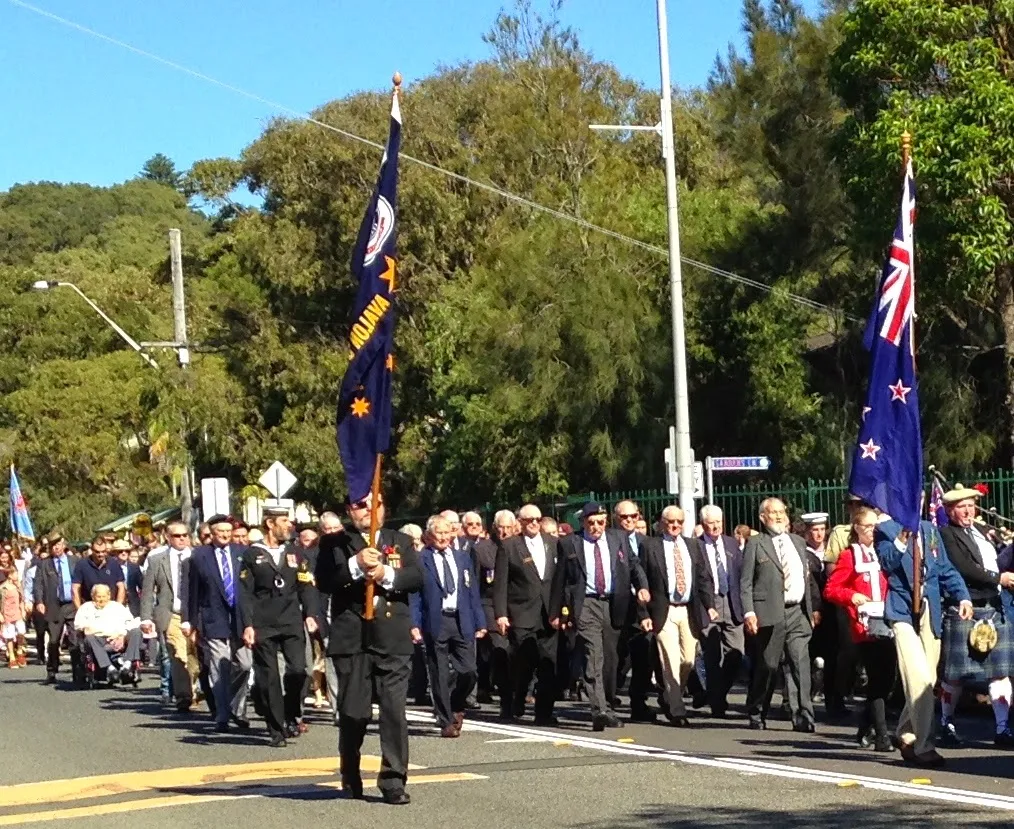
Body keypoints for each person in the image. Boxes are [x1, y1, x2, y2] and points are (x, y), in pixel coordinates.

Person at [315, 493, 422, 805]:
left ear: (383, 507)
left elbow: (416, 578)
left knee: (393, 712)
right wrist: (355, 566)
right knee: (354, 713)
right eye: (359, 506)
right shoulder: (335, 543)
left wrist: (386, 575)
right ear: (350, 511)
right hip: (353, 638)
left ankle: (393, 780)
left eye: (373, 503)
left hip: (392, 637)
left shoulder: (399, 539)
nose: (367, 511)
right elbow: (324, 581)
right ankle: (350, 770)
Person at [876, 514, 971, 767]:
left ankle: (906, 734)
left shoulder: (929, 529)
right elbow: (886, 562)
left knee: (928, 678)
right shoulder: (885, 529)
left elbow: (944, 568)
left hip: (930, 611)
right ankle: (924, 745)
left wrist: (963, 596)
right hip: (902, 612)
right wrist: (902, 538)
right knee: (918, 678)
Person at [936, 485, 1014, 747]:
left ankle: (1003, 729)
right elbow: (964, 567)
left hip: (994, 606)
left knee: (999, 672)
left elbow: (997, 560)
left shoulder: (982, 532)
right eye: (962, 507)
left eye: (971, 505)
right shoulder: (946, 534)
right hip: (966, 607)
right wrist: (999, 578)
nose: (968, 511)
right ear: (949, 510)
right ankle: (946, 724)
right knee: (956, 675)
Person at [559, 501, 647, 731]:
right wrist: (557, 611)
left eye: (600, 522)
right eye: (591, 523)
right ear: (583, 522)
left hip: (614, 603)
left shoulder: (618, 539)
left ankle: (607, 703)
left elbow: (634, 566)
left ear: (606, 521)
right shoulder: (571, 542)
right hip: (586, 603)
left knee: (611, 657)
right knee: (593, 655)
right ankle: (599, 710)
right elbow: (559, 580)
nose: (596, 527)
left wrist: (642, 587)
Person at [238, 506, 319, 747]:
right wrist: (248, 624)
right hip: (264, 622)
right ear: (270, 524)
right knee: (269, 677)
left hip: (291, 619)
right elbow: (245, 593)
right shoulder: (252, 554)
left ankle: (291, 711)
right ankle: (275, 728)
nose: (289, 525)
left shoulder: (295, 552)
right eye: (284, 521)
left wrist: (311, 613)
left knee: (298, 670)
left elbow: (307, 585)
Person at [740, 497, 821, 732]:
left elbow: (808, 580)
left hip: (797, 612)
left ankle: (803, 715)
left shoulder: (797, 542)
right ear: (762, 518)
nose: (778, 516)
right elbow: (745, 582)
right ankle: (757, 710)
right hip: (770, 612)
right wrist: (749, 612)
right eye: (772, 512)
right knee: (769, 666)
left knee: (800, 664)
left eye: (781, 512)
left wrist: (812, 608)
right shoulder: (756, 543)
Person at [823, 506, 896, 751]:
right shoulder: (849, 555)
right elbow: (831, 589)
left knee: (887, 680)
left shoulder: (883, 552)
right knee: (876, 677)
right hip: (865, 625)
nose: (874, 531)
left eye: (877, 527)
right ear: (856, 528)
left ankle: (866, 726)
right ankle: (882, 737)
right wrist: (851, 595)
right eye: (868, 527)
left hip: (888, 620)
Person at [412, 515, 485, 737]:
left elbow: (472, 591)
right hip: (436, 621)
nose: (443, 537)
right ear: (429, 536)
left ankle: (456, 703)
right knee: (440, 673)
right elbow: (414, 596)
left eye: (447, 532)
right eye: (439, 533)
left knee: (469, 671)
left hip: (461, 619)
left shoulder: (462, 557)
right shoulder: (420, 559)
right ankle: (445, 720)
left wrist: (480, 621)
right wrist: (414, 624)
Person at [639, 506, 713, 726]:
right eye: (671, 522)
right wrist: (644, 612)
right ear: (662, 523)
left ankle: (668, 695)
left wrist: (709, 605)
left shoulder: (693, 546)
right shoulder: (650, 546)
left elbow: (702, 578)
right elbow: (640, 582)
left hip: (688, 609)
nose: (675, 526)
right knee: (669, 661)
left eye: (679, 522)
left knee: (688, 660)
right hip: (664, 610)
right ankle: (677, 710)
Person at [493, 504, 564, 726]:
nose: (534, 523)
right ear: (520, 523)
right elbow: (500, 583)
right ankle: (518, 697)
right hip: (522, 612)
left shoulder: (553, 544)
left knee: (548, 663)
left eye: (537, 519)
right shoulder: (509, 546)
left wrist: (562, 609)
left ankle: (543, 712)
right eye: (528, 520)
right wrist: (501, 613)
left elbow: (560, 579)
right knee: (524, 662)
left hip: (549, 612)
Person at [184, 514, 253, 732]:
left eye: (227, 531)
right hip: (213, 618)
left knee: (245, 664)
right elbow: (192, 592)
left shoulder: (243, 554)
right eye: (219, 531)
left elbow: (251, 590)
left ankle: (236, 707)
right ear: (211, 534)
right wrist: (190, 621)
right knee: (219, 668)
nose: (224, 535)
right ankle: (222, 716)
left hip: (241, 619)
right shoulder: (199, 557)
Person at [140, 521, 199, 712]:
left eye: (185, 535)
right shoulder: (157, 560)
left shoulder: (198, 557)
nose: (182, 539)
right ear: (168, 537)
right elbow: (148, 591)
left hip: (197, 614)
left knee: (196, 658)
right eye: (177, 536)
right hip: (172, 614)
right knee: (178, 656)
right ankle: (184, 696)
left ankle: (196, 688)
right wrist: (146, 618)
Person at [696, 505, 744, 718]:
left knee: (737, 653)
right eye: (711, 523)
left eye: (719, 522)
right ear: (703, 524)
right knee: (712, 656)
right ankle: (717, 703)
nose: (715, 526)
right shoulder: (695, 546)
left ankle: (716, 691)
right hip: (709, 603)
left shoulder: (732, 544)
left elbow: (741, 575)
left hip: (732, 603)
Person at [32, 533, 82, 684]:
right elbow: (38, 584)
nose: (56, 548)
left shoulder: (75, 561)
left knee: (75, 641)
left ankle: (78, 672)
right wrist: (39, 601)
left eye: (58, 544)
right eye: (53, 545)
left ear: (64, 544)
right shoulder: (44, 563)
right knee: (54, 641)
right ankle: (52, 671)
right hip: (54, 606)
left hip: (72, 605)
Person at [74, 584, 142, 685]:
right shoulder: (86, 608)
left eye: (104, 596)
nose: (101, 599)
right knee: (89, 638)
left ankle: (127, 666)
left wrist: (122, 636)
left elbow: (132, 622)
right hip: (99, 640)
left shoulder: (117, 607)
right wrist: (101, 632)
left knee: (136, 631)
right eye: (99, 596)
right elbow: (81, 626)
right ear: (93, 596)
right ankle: (109, 668)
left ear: (109, 596)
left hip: (119, 637)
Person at [72, 535, 126, 608]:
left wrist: (118, 607)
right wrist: (79, 611)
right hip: (90, 608)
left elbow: (121, 587)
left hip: (110, 607)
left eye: (103, 551)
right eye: (97, 552)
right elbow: (75, 588)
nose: (101, 554)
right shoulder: (82, 565)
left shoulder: (113, 564)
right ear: (92, 550)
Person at [0, 570, 27, 668]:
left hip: (18, 613)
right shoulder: (3, 588)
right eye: (15, 574)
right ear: (10, 576)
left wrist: (23, 610)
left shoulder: (18, 587)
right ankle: (12, 656)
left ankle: (20, 650)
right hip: (7, 614)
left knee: (21, 631)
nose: (17, 576)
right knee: (9, 635)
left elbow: (22, 599)